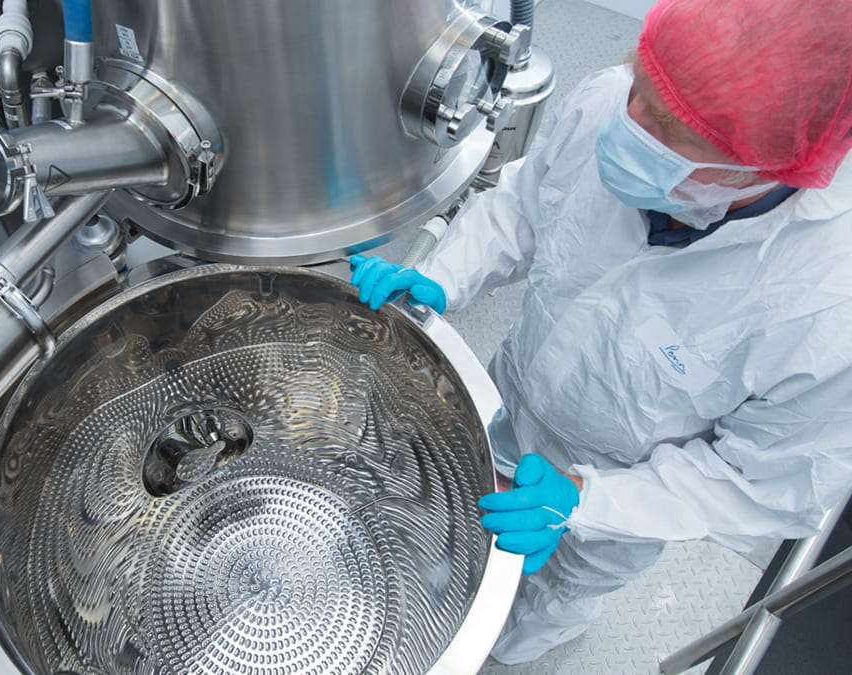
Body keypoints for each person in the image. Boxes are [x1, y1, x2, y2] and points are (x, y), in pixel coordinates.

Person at [350, 0, 852, 664]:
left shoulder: (825, 306)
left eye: (667, 126)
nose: (629, 120)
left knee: (540, 604)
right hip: (508, 399)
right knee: (459, 529)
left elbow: (761, 483)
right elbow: (524, 207)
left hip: (622, 500)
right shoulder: (613, 104)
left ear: (765, 166)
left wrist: (585, 502)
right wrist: (444, 277)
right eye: (640, 80)